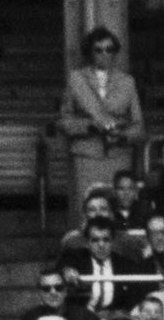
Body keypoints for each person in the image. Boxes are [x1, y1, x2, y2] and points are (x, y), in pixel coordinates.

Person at [58, 27, 144, 223]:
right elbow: (64, 121)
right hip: (87, 154)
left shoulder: (127, 82)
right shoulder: (76, 80)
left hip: (118, 154)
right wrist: (89, 126)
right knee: (87, 209)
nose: (105, 54)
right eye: (99, 49)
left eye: (110, 49)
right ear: (90, 51)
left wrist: (122, 136)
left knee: (118, 209)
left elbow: (139, 126)